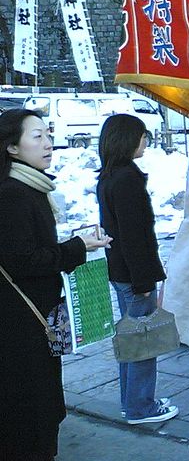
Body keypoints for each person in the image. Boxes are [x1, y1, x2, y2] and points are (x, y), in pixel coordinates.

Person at [0, 109, 110, 460]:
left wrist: (72, 244)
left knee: (42, 401)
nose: (48, 143)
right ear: (12, 148)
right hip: (21, 325)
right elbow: (23, 261)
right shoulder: (13, 194)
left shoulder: (31, 187)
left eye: (48, 134)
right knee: (31, 409)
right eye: (37, 136)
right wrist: (78, 247)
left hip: (36, 319)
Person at [97, 114, 179, 425]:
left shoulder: (109, 176)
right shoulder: (126, 179)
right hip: (133, 275)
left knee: (131, 338)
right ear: (126, 140)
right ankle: (141, 407)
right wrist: (144, 280)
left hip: (121, 272)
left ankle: (130, 402)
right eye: (142, 136)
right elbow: (133, 235)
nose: (146, 141)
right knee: (143, 340)